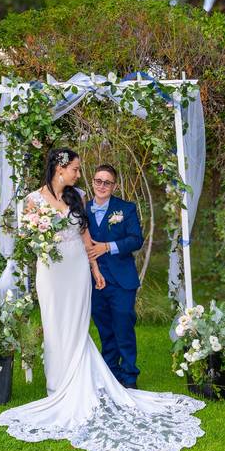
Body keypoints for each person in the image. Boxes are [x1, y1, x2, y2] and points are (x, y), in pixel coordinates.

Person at [0, 148, 205, 451]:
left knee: (78, 328)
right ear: (59, 168)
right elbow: (27, 238)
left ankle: (94, 380)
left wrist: (94, 270)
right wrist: (42, 240)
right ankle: (58, 384)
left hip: (78, 270)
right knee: (55, 326)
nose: (80, 176)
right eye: (76, 169)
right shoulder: (31, 200)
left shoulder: (77, 196)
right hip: (51, 274)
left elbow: (86, 238)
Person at [84, 164, 143, 388]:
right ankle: (110, 374)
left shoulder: (125, 209)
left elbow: (136, 240)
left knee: (123, 328)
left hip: (121, 281)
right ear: (92, 182)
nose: (102, 186)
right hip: (93, 281)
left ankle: (129, 377)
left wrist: (108, 246)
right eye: (98, 181)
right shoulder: (83, 209)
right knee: (105, 329)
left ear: (114, 185)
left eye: (107, 182)